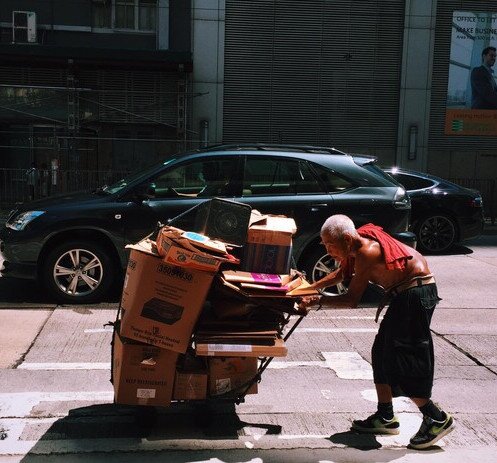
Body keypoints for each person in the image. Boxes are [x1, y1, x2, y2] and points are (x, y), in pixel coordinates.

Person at [298, 214, 454, 450]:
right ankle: (385, 416)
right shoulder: (355, 245)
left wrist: (315, 301)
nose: (328, 251)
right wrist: (310, 287)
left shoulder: (366, 252)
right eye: (325, 245)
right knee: (380, 352)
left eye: (331, 245)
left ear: (347, 239)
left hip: (415, 294)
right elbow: (342, 273)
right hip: (405, 294)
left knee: (402, 360)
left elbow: (351, 299)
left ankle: (436, 418)